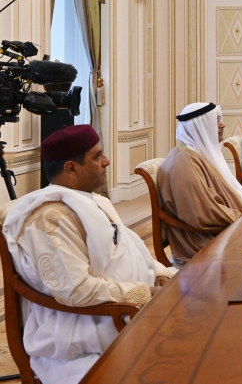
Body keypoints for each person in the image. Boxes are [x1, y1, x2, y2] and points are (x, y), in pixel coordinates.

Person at [0, 125, 176, 384]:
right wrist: (143, 293)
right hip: (83, 333)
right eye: (97, 156)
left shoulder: (93, 200)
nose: (107, 161)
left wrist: (158, 273)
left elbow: (129, 247)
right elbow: (75, 291)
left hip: (123, 311)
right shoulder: (49, 219)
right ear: (71, 168)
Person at [157, 102, 242, 265]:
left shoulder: (198, 154)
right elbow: (204, 213)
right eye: (216, 121)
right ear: (199, 127)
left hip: (224, 232)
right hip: (203, 243)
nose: (223, 124)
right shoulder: (185, 163)